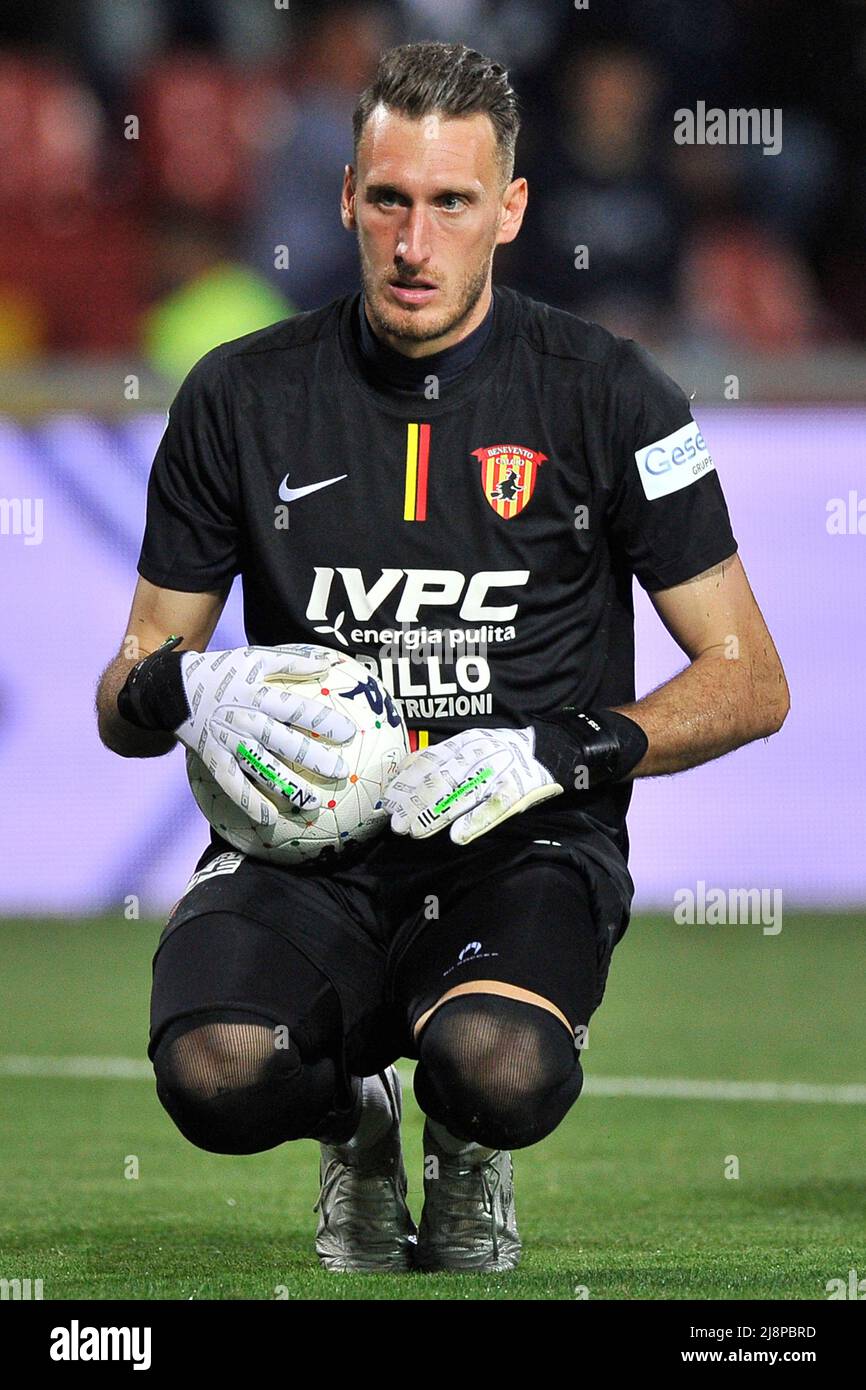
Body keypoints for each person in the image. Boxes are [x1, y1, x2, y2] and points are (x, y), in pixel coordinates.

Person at [95, 41, 790, 1274]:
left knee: (497, 1068)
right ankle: (351, 1117)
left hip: (520, 840)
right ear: (347, 197)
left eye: (451, 203)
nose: (415, 243)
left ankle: (466, 1144)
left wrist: (557, 750)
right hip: (300, 846)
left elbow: (748, 680)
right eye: (389, 200)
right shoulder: (238, 397)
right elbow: (128, 685)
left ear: (510, 209)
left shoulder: (613, 395)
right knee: (212, 1072)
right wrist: (182, 689)